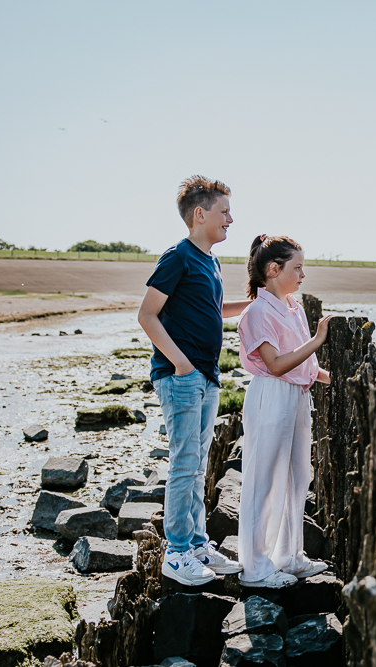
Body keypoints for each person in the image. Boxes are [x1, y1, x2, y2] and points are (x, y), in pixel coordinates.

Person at [137, 175, 250, 586]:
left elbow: (215, 309)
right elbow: (147, 315)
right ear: (199, 215)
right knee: (185, 465)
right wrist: (182, 365)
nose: (231, 220)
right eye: (224, 212)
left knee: (198, 465)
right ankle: (177, 553)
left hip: (208, 376)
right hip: (182, 377)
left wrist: (257, 301)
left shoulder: (211, 261)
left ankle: (199, 544)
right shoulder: (179, 256)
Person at [237, 234, 333, 588]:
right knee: (264, 478)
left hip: (295, 395)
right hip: (271, 396)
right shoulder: (257, 311)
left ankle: (289, 556)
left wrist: (330, 378)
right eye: (298, 267)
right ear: (274, 270)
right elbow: (276, 365)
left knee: (296, 475)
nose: (303, 274)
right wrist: (317, 341)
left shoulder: (293, 306)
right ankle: (255, 567)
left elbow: (302, 365)